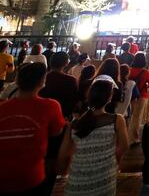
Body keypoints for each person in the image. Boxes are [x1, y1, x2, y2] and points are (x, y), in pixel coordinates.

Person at [0, 63, 66, 194]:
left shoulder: (2, 108)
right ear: (42, 82)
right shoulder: (51, 106)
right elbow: (56, 132)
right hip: (32, 176)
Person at [58, 76, 128, 196]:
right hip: (105, 178)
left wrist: (65, 172)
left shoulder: (74, 125)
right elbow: (124, 146)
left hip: (76, 182)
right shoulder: (117, 120)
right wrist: (115, 161)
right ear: (109, 98)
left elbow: (63, 155)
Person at [40, 51, 79, 120]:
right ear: (66, 63)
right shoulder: (71, 80)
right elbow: (73, 102)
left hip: (42, 114)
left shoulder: (42, 78)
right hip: (62, 116)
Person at [128, 52, 149, 145]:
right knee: (138, 116)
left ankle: (128, 134)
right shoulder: (146, 72)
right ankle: (134, 138)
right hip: (142, 95)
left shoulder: (130, 70)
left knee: (131, 115)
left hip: (131, 95)